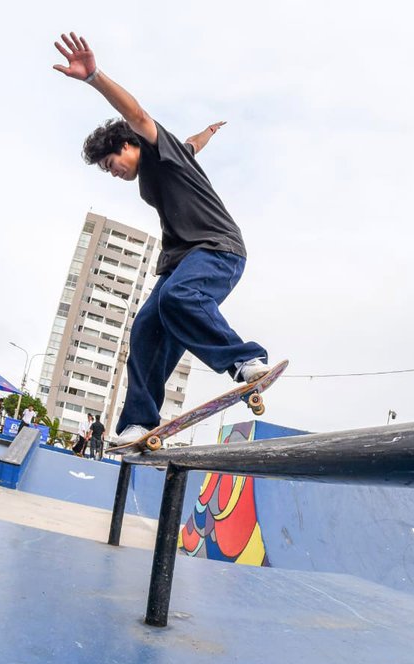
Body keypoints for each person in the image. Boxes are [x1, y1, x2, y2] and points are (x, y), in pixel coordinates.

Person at [53, 32, 273, 446]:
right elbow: (193, 145)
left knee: (178, 301)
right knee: (147, 327)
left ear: (129, 144)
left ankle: (244, 360)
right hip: (182, 261)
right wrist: (208, 132)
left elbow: (135, 113)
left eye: (111, 162)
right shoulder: (178, 154)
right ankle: (140, 420)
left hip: (218, 249)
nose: (112, 172)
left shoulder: (155, 146)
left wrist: (94, 76)